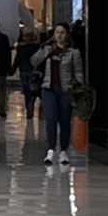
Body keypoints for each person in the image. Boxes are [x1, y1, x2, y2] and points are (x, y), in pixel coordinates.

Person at [33, 21, 85, 166]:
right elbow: (33, 61)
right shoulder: (47, 48)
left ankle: (63, 150)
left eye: (62, 33)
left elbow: (78, 72)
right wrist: (44, 53)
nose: (59, 35)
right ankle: (50, 149)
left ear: (67, 35)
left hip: (65, 90)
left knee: (65, 120)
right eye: (57, 32)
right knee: (50, 118)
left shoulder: (73, 53)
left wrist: (79, 88)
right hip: (48, 88)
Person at [12, 27, 43, 120]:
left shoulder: (21, 48)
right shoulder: (38, 47)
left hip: (24, 71)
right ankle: (31, 103)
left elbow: (17, 60)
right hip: (34, 71)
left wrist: (12, 70)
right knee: (34, 89)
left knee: (26, 91)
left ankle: (28, 107)